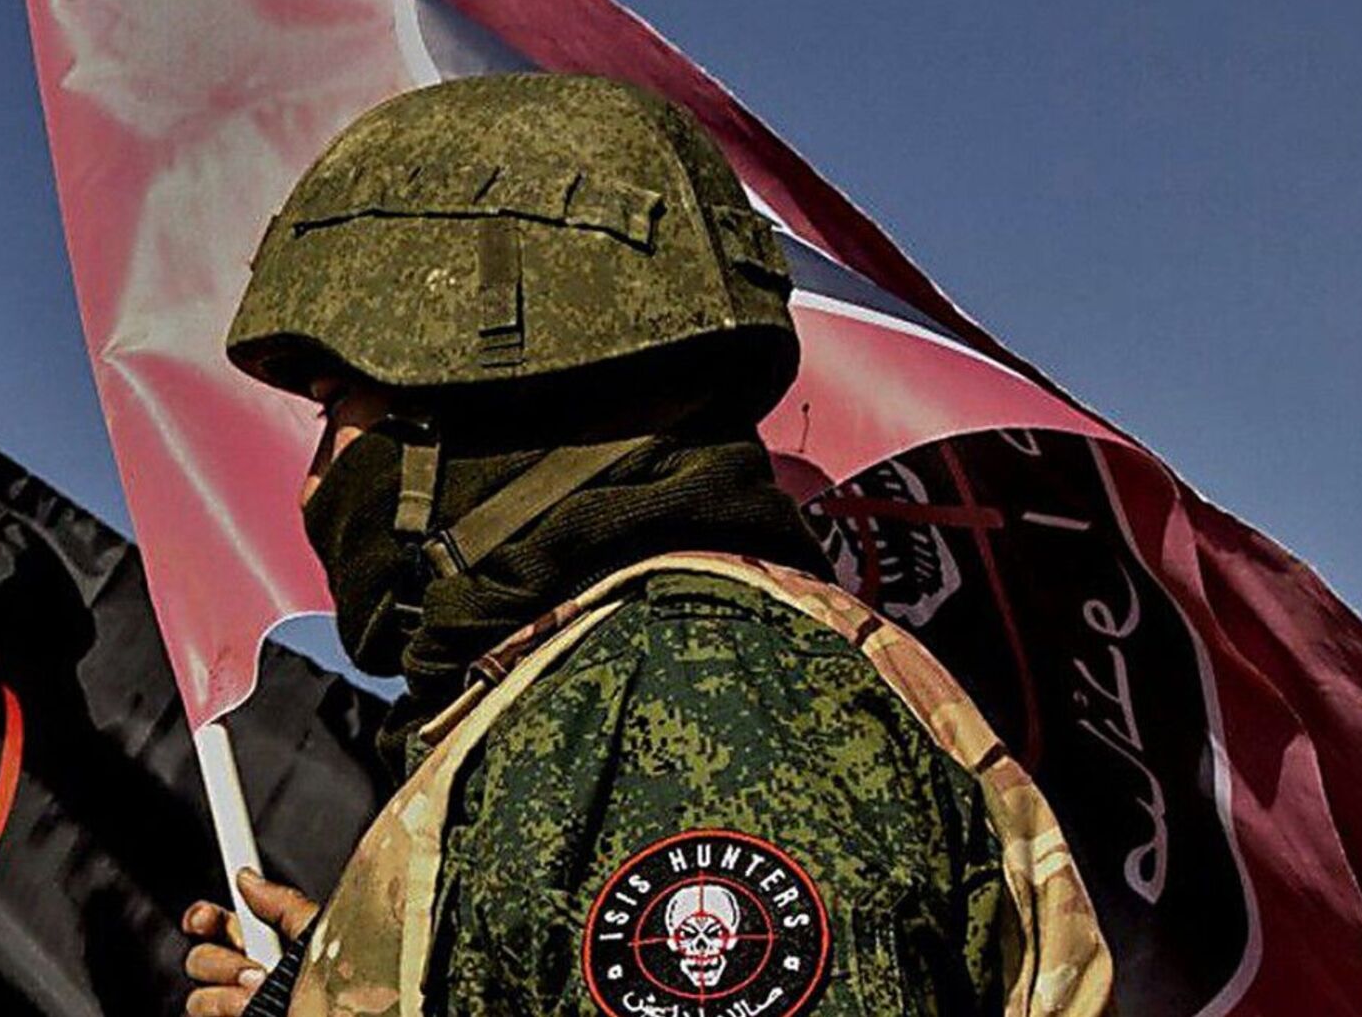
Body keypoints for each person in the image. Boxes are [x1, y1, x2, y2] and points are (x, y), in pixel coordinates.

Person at [183, 73, 1113, 1017]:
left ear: (472, 401)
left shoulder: (684, 696)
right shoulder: (640, 686)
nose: (313, 484)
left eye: (335, 406)